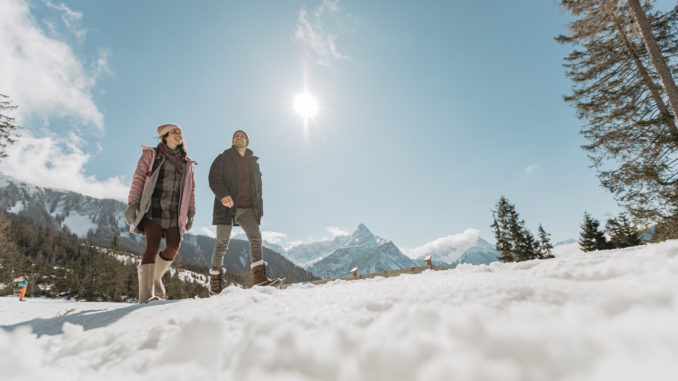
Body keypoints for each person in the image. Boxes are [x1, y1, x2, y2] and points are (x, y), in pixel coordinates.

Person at [125, 124, 196, 304]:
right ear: (164, 136)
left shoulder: (186, 163)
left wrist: (191, 211)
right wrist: (132, 203)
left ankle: (156, 278)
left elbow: (191, 190)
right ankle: (145, 296)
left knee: (173, 246)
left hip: (174, 211)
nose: (179, 135)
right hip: (152, 208)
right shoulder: (152, 155)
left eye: (180, 132)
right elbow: (139, 178)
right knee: (152, 246)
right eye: (174, 132)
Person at [208, 130, 270, 294]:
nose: (239, 137)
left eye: (242, 136)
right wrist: (223, 195)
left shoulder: (253, 163)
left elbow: (259, 189)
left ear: (247, 141)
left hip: (248, 208)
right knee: (221, 244)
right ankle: (215, 283)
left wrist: (260, 208)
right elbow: (214, 178)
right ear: (233, 141)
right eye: (236, 136)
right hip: (226, 206)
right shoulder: (223, 158)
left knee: (256, 238)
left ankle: (259, 277)